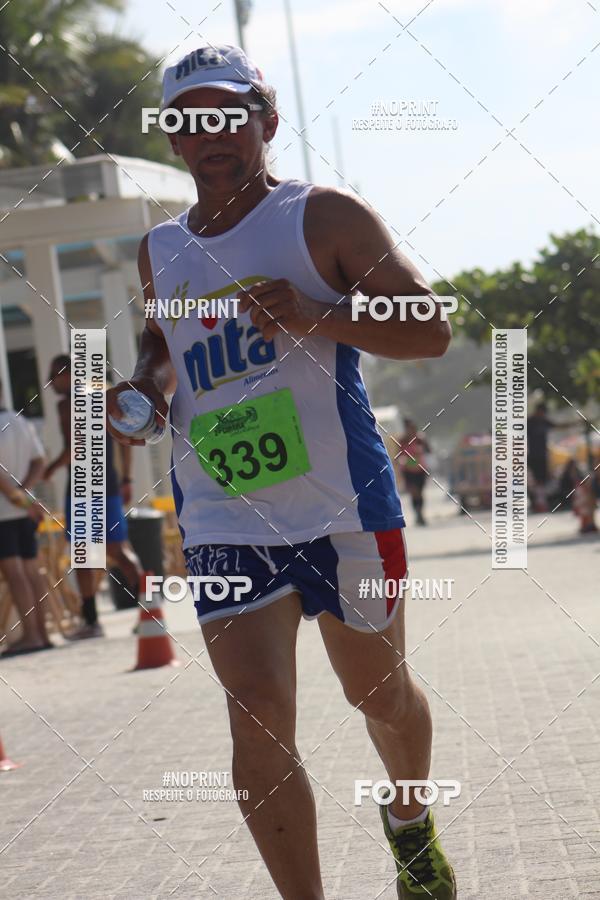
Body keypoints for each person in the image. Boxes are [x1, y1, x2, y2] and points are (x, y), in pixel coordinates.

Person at [107, 45, 455, 899]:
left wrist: (320, 314)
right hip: (224, 515)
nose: (211, 132)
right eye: (190, 119)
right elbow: (165, 351)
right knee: (257, 709)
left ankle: (410, 821)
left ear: (265, 119)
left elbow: (429, 327)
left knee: (378, 696)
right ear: (174, 139)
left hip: (343, 506)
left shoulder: (325, 218)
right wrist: (142, 395)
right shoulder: (159, 249)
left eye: (228, 113)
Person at [44, 355, 142, 639]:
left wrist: (48, 469)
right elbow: (126, 437)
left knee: (86, 554)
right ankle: (151, 610)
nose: (50, 383)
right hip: (108, 481)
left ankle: (91, 622)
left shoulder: (67, 406)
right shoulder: (104, 397)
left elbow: (73, 448)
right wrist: (127, 478)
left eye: (54, 375)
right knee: (120, 551)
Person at [0, 379, 53, 656]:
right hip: (24, 508)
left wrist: (16, 496)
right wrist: (25, 492)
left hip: (5, 511)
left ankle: (30, 635)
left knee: (15, 573)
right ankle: (42, 633)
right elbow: (39, 461)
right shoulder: (20, 422)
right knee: (33, 571)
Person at [394, 419, 431, 526]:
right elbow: (398, 455)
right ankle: (418, 514)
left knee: (420, 492)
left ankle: (421, 512)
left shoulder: (420, 439)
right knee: (414, 492)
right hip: (408, 470)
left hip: (420, 469)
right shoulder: (402, 440)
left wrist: (423, 444)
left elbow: (429, 451)